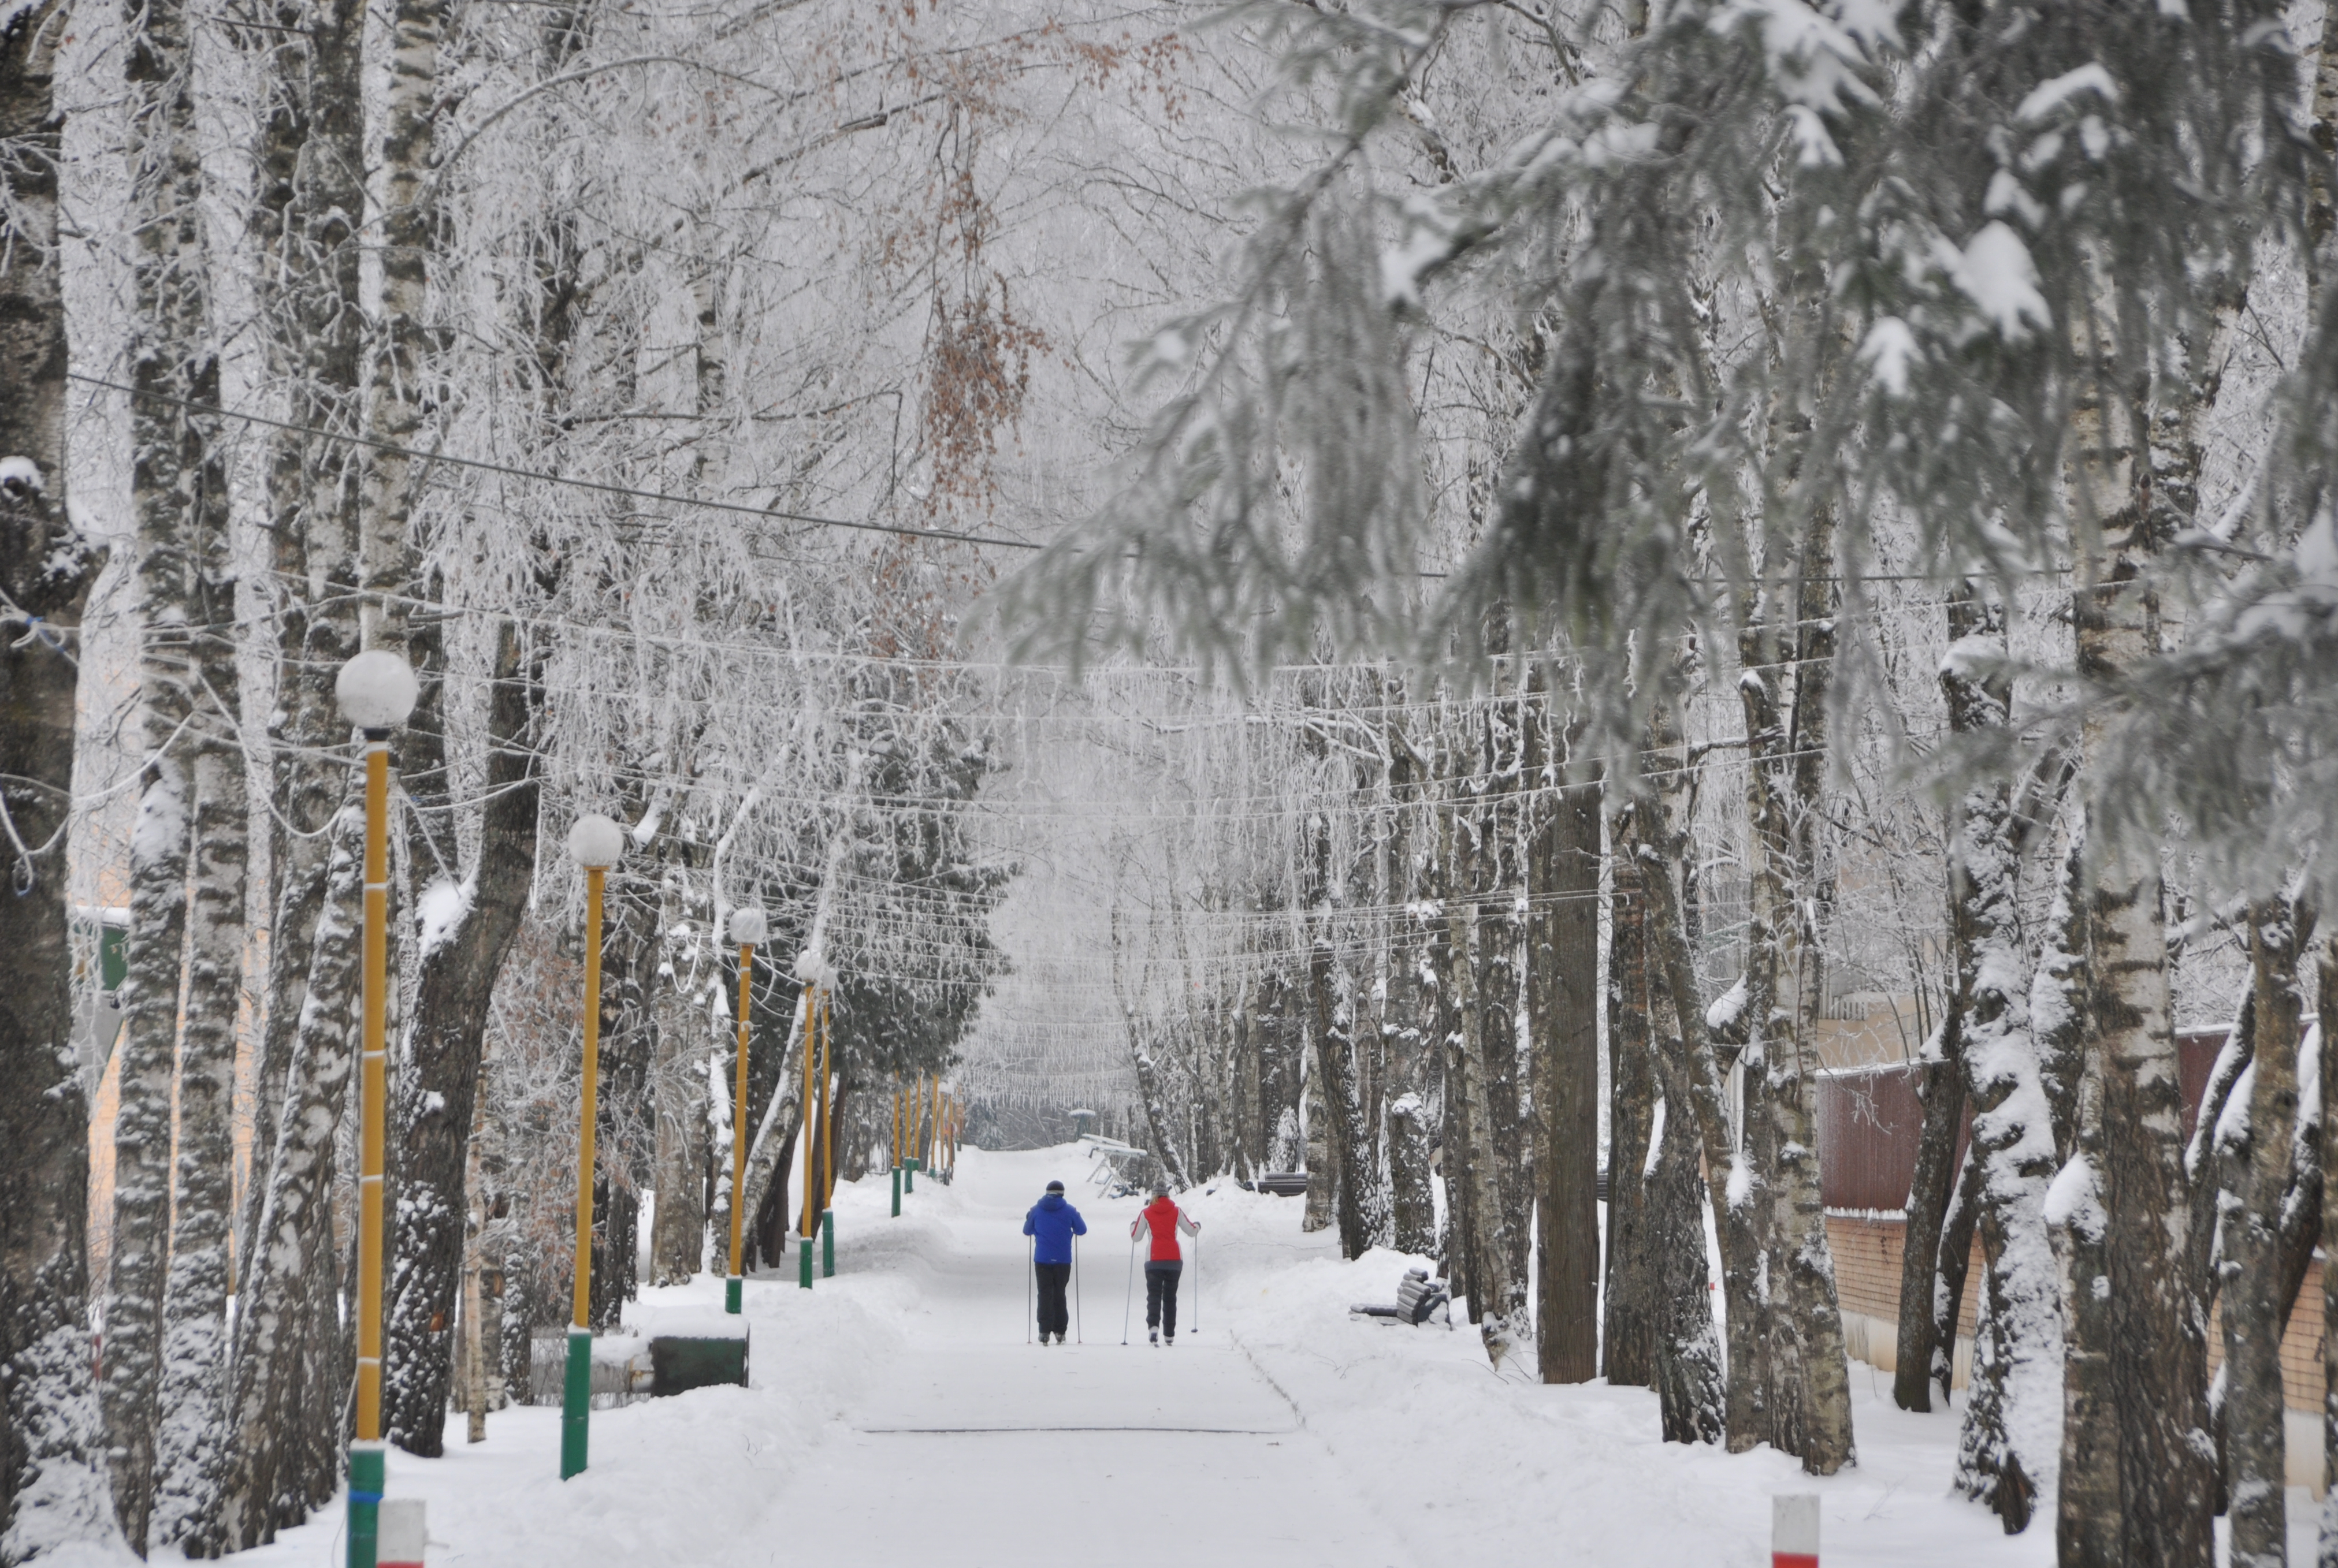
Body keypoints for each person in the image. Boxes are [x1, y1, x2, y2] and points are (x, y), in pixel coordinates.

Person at [1131, 1179, 1199, 1346]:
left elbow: (1136, 1236)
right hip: (1174, 1260)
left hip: (1154, 1259)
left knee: (1154, 1296)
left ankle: (1153, 1328)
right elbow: (1191, 1231)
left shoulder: (1146, 1213)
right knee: (1170, 1298)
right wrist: (1198, 1226)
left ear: (1153, 1195)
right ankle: (1169, 1335)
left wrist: (1132, 1225)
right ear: (1167, 1195)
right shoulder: (1176, 1211)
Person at [1023, 1179, 1086, 1345]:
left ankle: (1044, 1331)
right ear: (1062, 1194)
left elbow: (1027, 1231)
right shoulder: (1070, 1211)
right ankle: (1060, 1330)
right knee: (1059, 1293)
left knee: (1044, 1293)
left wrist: (1030, 1218)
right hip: (1063, 1260)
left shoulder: (1036, 1210)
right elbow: (1082, 1230)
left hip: (1042, 1259)